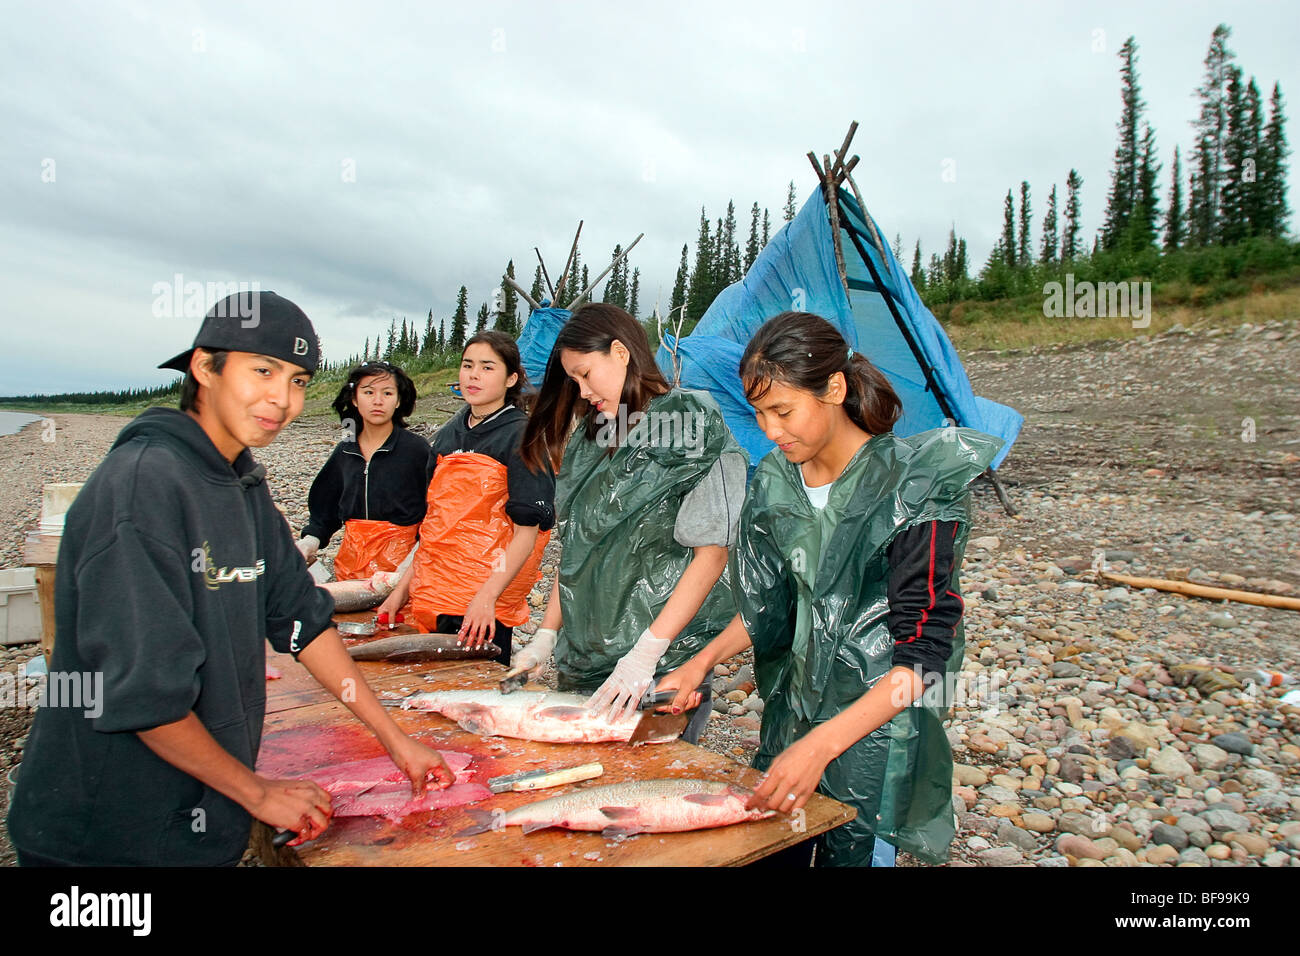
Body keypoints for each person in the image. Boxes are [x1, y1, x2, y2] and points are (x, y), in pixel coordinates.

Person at [6, 291, 454, 866]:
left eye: (298, 380)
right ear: (205, 367)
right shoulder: (142, 489)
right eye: (263, 371)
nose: (284, 399)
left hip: (197, 822)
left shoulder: (242, 483)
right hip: (108, 833)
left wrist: (397, 742)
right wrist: (258, 792)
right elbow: (145, 699)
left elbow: (304, 619)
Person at [656, 311, 1003, 866]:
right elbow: (767, 608)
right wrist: (701, 662)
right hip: (792, 716)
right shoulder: (774, 483)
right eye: (759, 414)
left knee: (855, 850)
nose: (770, 430)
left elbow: (924, 659)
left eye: (783, 411)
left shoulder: (915, 487)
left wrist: (822, 745)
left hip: (875, 729)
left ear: (834, 389)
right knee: (775, 845)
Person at [514, 303, 747, 742]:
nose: (581, 391)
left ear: (620, 352)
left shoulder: (691, 424)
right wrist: (546, 636)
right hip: (585, 656)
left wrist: (646, 653)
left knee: (652, 786)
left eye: (585, 373)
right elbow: (578, 553)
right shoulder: (592, 439)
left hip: (665, 659)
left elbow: (712, 554)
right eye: (573, 381)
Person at [378, 331, 554, 666]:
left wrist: (486, 598)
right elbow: (434, 527)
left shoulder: (522, 437)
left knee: (473, 696)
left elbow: (526, 534)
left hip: (483, 602)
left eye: (487, 367)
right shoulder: (447, 435)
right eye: (467, 365)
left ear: (511, 378)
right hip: (435, 592)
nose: (473, 375)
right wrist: (401, 591)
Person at [297, 361, 427, 582]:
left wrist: (412, 562)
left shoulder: (417, 450)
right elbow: (325, 510)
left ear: (398, 401)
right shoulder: (345, 450)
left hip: (405, 567)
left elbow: (436, 514)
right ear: (355, 399)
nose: (378, 401)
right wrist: (310, 541)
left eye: (387, 393)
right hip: (351, 565)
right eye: (368, 392)